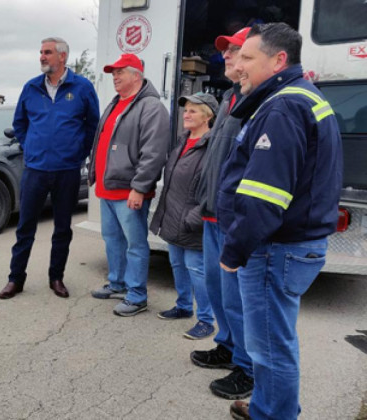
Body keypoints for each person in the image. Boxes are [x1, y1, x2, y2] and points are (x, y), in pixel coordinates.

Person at [217, 23, 342, 420]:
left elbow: (264, 197)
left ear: (279, 60)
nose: (239, 68)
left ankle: (273, 414)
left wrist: (234, 251)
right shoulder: (302, 96)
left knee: (269, 345)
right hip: (290, 245)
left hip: (275, 249)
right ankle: (270, 405)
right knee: (273, 341)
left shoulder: (283, 106)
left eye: (248, 59)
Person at [0, 36, 99, 300]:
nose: (42, 56)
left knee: (62, 228)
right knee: (25, 228)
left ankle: (56, 278)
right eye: (41, 52)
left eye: (48, 52)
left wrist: (79, 153)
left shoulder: (82, 87)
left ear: (62, 56)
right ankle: (15, 279)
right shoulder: (31, 87)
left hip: (67, 170)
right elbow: (19, 123)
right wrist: (31, 146)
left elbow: (93, 126)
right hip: (35, 170)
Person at [192, 27, 255, 401]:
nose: (226, 57)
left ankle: (247, 368)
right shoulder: (231, 97)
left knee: (237, 298)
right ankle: (228, 346)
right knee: (218, 294)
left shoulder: (257, 101)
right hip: (213, 214)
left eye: (235, 51)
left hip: (232, 219)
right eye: (226, 51)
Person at [87, 53, 170, 316]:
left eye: (120, 72)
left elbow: (154, 152)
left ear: (137, 75)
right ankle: (118, 283)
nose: (115, 77)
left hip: (129, 191)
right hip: (107, 189)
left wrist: (139, 187)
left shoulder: (151, 107)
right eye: (113, 73)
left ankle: (137, 295)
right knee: (112, 239)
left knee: (135, 244)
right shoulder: (115, 104)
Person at [150, 92, 218, 338]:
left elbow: (214, 187)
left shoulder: (212, 145)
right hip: (173, 216)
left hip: (192, 220)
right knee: (177, 263)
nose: (186, 115)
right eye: (185, 110)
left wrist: (195, 216)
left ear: (207, 116)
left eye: (192, 111)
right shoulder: (183, 141)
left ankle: (206, 320)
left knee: (196, 269)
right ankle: (183, 306)